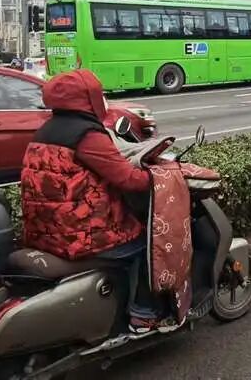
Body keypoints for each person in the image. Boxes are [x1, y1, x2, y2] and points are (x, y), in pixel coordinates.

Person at [19, 69, 160, 331]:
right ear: (88, 98)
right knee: (148, 245)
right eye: (100, 93)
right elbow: (128, 179)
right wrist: (159, 177)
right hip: (79, 237)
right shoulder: (87, 135)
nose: (104, 98)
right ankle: (143, 313)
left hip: (43, 233)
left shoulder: (44, 132)